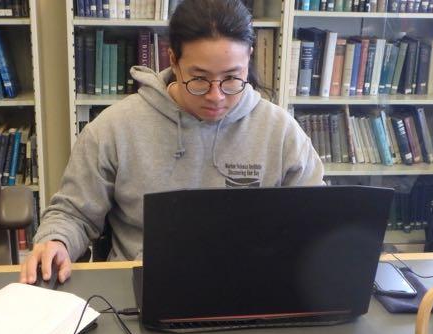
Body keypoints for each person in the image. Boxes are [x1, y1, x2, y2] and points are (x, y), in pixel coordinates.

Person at [20, 0, 324, 285]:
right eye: (200, 79)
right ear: (174, 60)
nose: (216, 95)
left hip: (251, 283)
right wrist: (55, 241)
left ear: (249, 59)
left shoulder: (280, 130)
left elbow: (318, 214)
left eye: (232, 78)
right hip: (145, 286)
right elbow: (73, 213)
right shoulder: (115, 128)